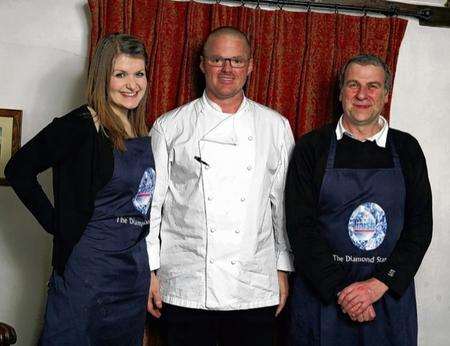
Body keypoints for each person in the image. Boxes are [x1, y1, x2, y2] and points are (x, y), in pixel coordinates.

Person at [146, 26, 294, 346]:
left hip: (253, 285)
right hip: (186, 283)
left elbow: (282, 205)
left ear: (251, 66)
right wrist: (150, 271)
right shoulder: (170, 126)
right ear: (202, 64)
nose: (227, 69)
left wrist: (281, 269)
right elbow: (152, 205)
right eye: (217, 60)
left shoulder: (275, 127)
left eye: (236, 61)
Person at [5, 33, 154, 345]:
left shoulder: (142, 130)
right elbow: (18, 170)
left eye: (138, 73)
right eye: (120, 74)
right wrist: (56, 224)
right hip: (88, 275)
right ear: (102, 77)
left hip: (131, 276)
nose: (132, 84)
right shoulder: (80, 125)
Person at [286, 54, 432, 345]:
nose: (362, 95)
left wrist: (378, 285)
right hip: (323, 297)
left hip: (386, 298)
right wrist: (344, 292)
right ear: (341, 91)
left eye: (373, 86)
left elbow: (420, 227)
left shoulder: (407, 148)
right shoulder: (311, 147)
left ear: (386, 94)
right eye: (353, 84)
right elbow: (300, 229)